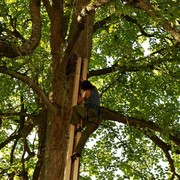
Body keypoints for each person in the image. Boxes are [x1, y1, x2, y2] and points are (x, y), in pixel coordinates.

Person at [71, 80, 101, 161]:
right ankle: (77, 152)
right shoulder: (95, 91)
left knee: (75, 108)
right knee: (85, 136)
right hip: (97, 119)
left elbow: (78, 102)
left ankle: (75, 123)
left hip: (90, 113)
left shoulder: (87, 92)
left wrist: (81, 96)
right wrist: (82, 81)